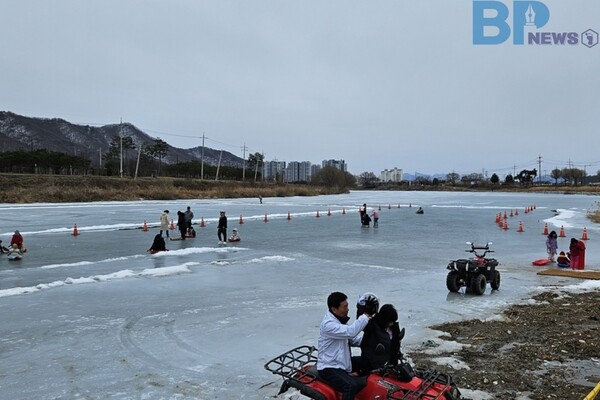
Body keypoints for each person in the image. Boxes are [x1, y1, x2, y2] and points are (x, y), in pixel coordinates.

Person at [317, 291, 377, 400]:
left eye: (347, 306)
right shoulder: (328, 324)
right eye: (344, 307)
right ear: (334, 309)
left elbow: (353, 340)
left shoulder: (339, 321)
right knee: (350, 385)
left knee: (369, 361)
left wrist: (374, 343)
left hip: (342, 361)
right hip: (329, 366)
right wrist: (365, 315)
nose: (347, 309)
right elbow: (350, 332)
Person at [360, 304, 401, 373]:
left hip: (390, 364)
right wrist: (363, 308)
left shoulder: (394, 328)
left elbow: (396, 345)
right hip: (373, 364)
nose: (391, 324)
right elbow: (361, 324)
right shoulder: (372, 326)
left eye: (393, 321)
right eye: (390, 321)